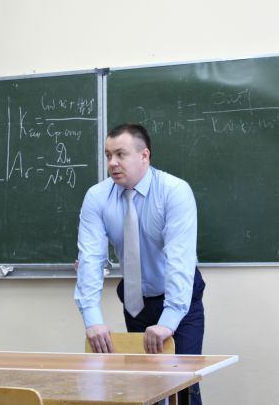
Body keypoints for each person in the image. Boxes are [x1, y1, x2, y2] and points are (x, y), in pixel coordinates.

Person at [74, 123, 206, 405]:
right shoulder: (96, 197)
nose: (112, 163)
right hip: (137, 303)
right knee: (146, 389)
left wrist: (168, 323)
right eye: (108, 155)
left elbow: (180, 262)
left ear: (144, 155)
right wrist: (92, 320)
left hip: (179, 301)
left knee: (183, 387)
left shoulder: (174, 191)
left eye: (120, 154)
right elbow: (89, 260)